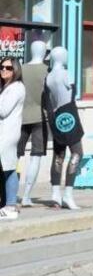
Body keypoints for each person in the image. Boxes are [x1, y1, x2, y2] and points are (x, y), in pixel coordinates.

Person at [45, 47, 84, 210]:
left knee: (59, 154)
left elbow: (48, 99)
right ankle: (68, 194)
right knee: (77, 153)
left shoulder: (48, 77)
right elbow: (71, 94)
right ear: (62, 57)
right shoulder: (66, 74)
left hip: (54, 115)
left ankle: (55, 194)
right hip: (69, 115)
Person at [18, 40, 48, 207]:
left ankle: (8, 193)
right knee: (35, 156)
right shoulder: (46, 70)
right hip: (40, 118)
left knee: (14, 155)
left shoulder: (20, 68)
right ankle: (27, 195)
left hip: (20, 117)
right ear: (44, 52)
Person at [0, 57, 25, 220]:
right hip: (4, 133)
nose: (4, 70)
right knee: (5, 168)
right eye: (2, 67)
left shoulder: (16, 88)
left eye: (8, 68)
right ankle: (6, 204)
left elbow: (3, 110)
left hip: (8, 134)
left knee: (9, 169)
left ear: (15, 70)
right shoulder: (6, 87)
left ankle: (10, 205)